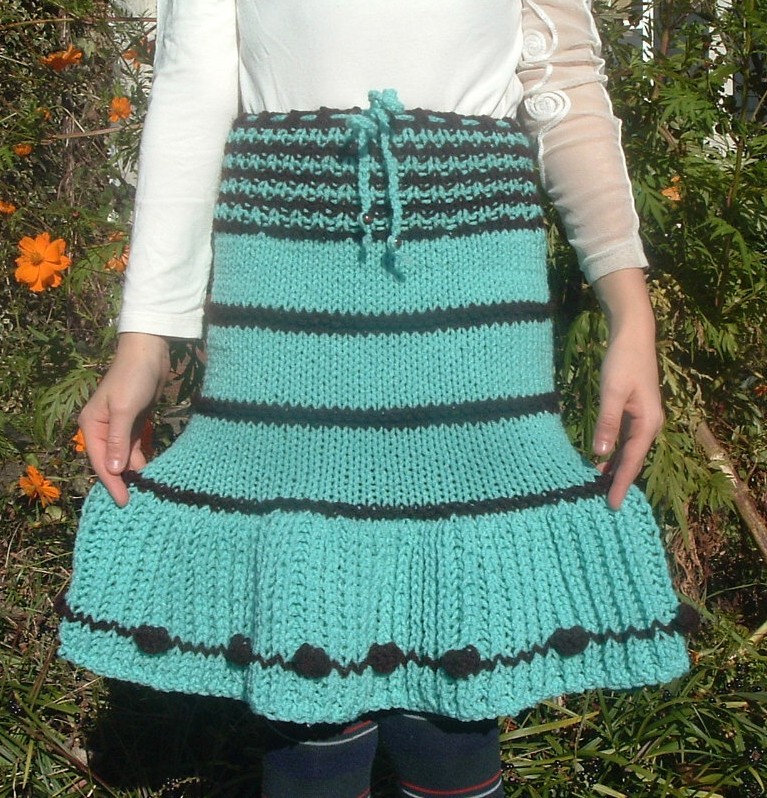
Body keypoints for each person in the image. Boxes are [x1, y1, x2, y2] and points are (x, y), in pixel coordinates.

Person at [58, 1, 699, 795]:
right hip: (286, 293)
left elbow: (561, 85)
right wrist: (144, 341)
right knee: (309, 663)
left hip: (473, 303)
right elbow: (192, 91)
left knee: (456, 671)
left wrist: (630, 315)